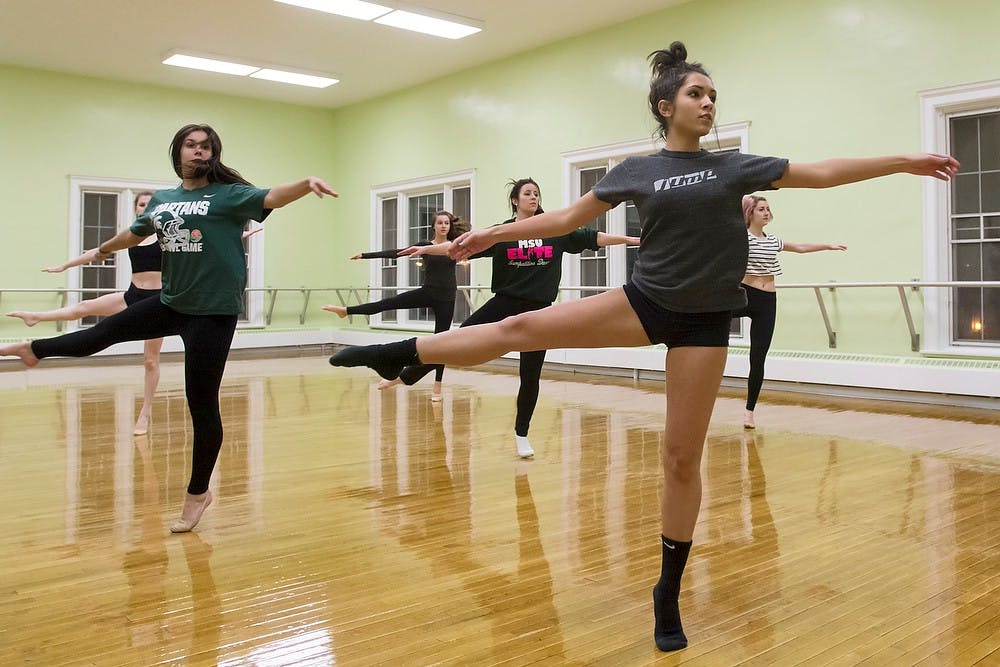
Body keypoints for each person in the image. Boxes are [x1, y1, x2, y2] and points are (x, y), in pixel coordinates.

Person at [328, 42, 958, 651]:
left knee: (681, 457)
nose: (708, 103)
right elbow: (563, 221)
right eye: (696, 93)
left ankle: (668, 590)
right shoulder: (636, 171)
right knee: (521, 329)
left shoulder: (735, 166)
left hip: (706, 321)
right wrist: (491, 232)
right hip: (645, 300)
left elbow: (820, 173)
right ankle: (403, 351)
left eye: (713, 95)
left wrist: (901, 162)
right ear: (666, 106)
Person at [1, 123, 337, 533]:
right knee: (101, 333)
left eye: (206, 146)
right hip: (170, 302)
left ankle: (198, 493)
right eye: (191, 145)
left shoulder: (230, 195)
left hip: (213, 312)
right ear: (177, 152)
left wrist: (306, 183)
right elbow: (136, 232)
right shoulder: (162, 200)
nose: (198, 152)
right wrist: (104, 249)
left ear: (213, 154)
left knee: (201, 403)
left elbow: (272, 196)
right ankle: (33, 349)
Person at [360, 178, 639, 459]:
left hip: (539, 311)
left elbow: (595, 238)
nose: (533, 197)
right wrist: (425, 250)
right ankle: (405, 376)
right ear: (515, 201)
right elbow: (458, 246)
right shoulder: (500, 233)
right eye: (527, 193)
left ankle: (521, 434)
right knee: (454, 341)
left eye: (537, 194)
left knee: (530, 376)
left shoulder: (557, 229)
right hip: (504, 303)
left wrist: (629, 239)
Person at [7, 192, 164, 435]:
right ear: (135, 209)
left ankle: (145, 413)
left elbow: (199, 245)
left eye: (149, 204)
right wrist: (65, 266)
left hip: (156, 302)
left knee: (150, 361)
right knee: (84, 307)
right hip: (133, 295)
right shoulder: (132, 235)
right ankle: (36, 317)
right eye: (141, 204)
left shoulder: (166, 235)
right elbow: (97, 251)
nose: (145, 208)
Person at [321, 210, 468, 401]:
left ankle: (437, 386)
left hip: (446, 298)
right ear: (433, 226)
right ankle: (346, 311)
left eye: (446, 223)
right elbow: (397, 253)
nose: (443, 226)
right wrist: (366, 255)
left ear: (450, 226)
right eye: (439, 223)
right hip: (427, 292)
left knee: (440, 342)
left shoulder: (453, 247)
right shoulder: (424, 245)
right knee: (387, 303)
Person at [734, 194, 847, 430]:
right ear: (750, 213)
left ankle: (749, 413)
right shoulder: (740, 238)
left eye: (767, 209)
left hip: (767, 300)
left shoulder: (773, 240)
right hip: (744, 295)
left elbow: (801, 247)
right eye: (761, 209)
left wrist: (827, 245)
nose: (766, 212)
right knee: (709, 321)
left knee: (758, 357)